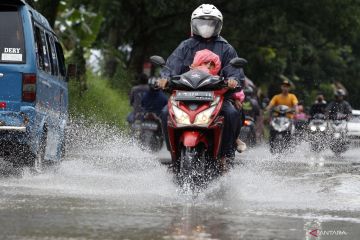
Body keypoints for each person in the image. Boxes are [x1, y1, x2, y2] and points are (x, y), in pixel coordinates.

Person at [157, 4, 244, 162]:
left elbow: (235, 72)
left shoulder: (226, 48)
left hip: (216, 96)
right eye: (202, 23)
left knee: (232, 114)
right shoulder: (185, 46)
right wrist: (164, 78)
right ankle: (173, 154)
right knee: (164, 113)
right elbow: (170, 66)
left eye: (210, 23)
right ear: (193, 24)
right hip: (184, 94)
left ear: (218, 25)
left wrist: (233, 81)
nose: (206, 27)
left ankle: (225, 156)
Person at [190, 49, 247, 153]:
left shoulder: (219, 79)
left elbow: (234, 89)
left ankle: (227, 151)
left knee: (231, 113)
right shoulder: (189, 76)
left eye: (211, 63)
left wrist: (235, 94)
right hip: (192, 107)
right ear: (197, 62)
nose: (208, 66)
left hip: (215, 105)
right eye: (205, 62)